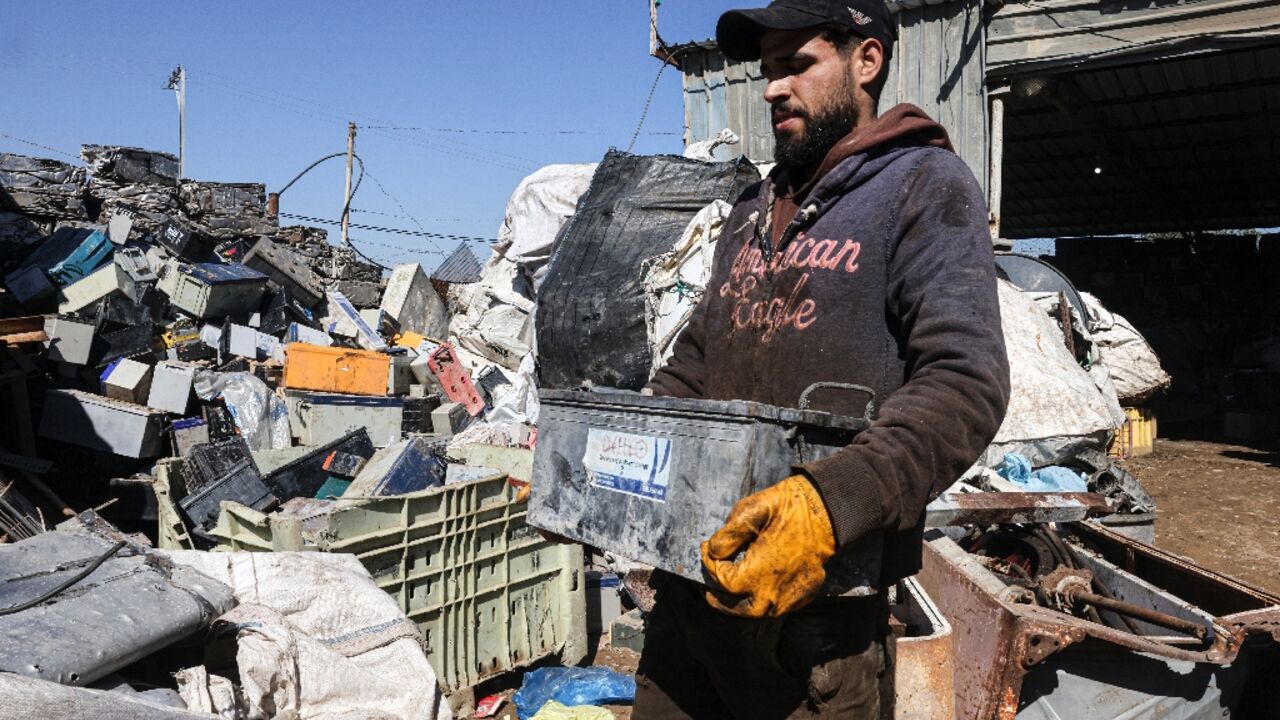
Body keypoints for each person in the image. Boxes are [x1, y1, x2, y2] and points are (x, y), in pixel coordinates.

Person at [634, 0, 1011, 717]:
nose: (773, 88)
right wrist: (621, 443)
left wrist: (829, 503)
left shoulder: (923, 187)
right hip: (693, 595)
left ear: (866, 61)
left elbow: (966, 382)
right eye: (769, 70)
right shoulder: (750, 209)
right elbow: (695, 362)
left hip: (817, 622)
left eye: (797, 65)